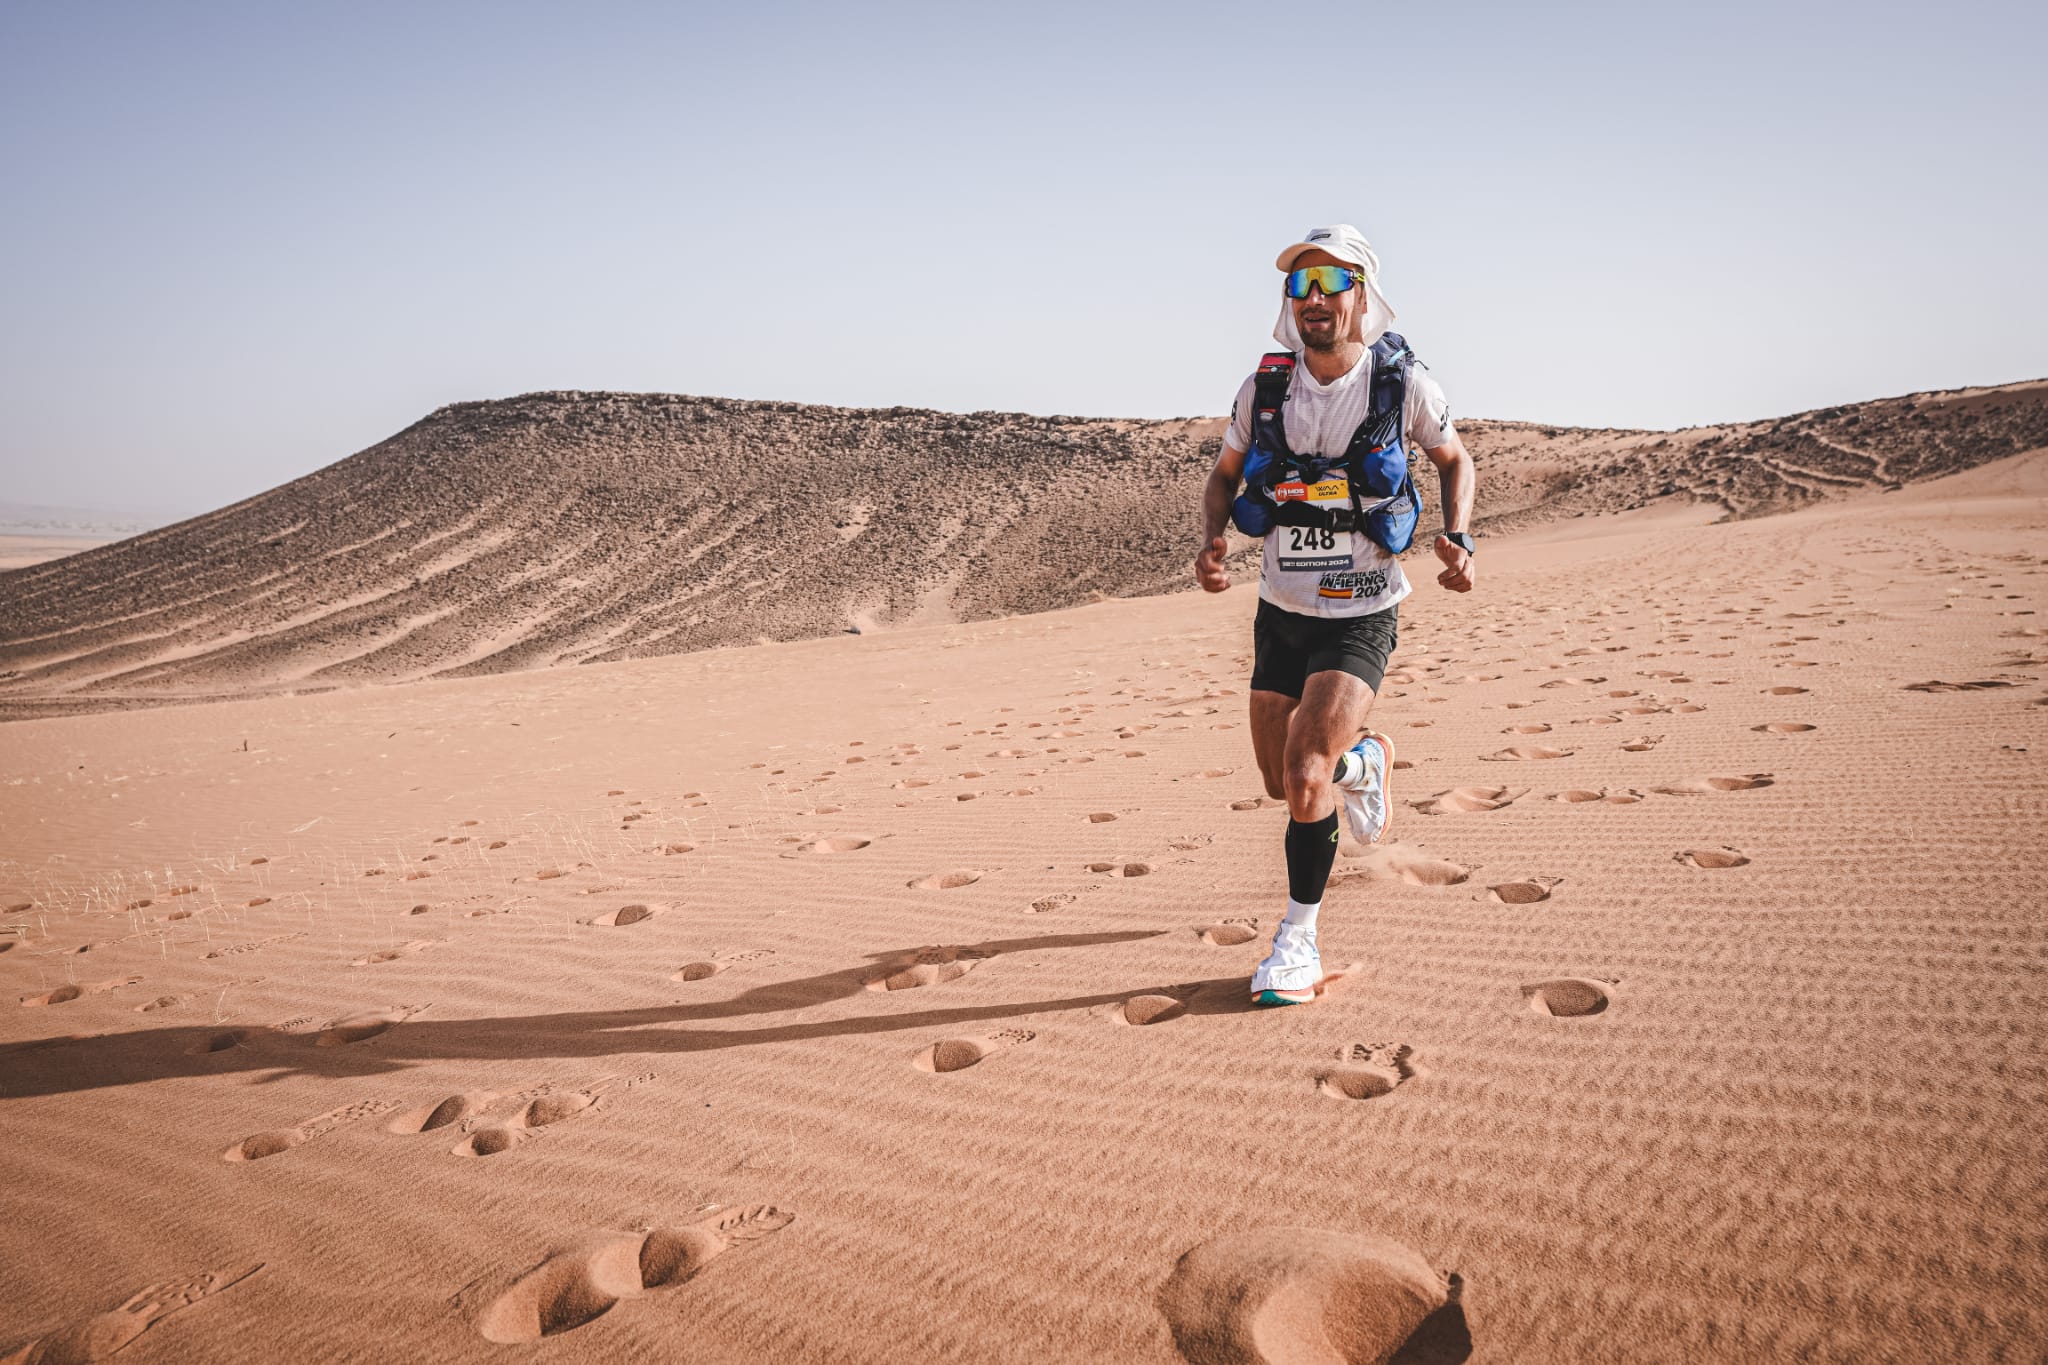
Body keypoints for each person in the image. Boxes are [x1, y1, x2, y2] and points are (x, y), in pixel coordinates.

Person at [1194, 225, 1477, 1006]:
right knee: (1279, 781)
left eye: (1331, 283)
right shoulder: (1266, 389)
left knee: (1302, 770)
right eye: (1299, 286)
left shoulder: (1402, 384)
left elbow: (1455, 458)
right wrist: (1212, 539)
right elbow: (1223, 475)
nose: (1314, 300)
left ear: (1363, 295)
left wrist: (1457, 536)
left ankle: (1297, 943)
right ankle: (1366, 765)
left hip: (1362, 610)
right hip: (1281, 609)